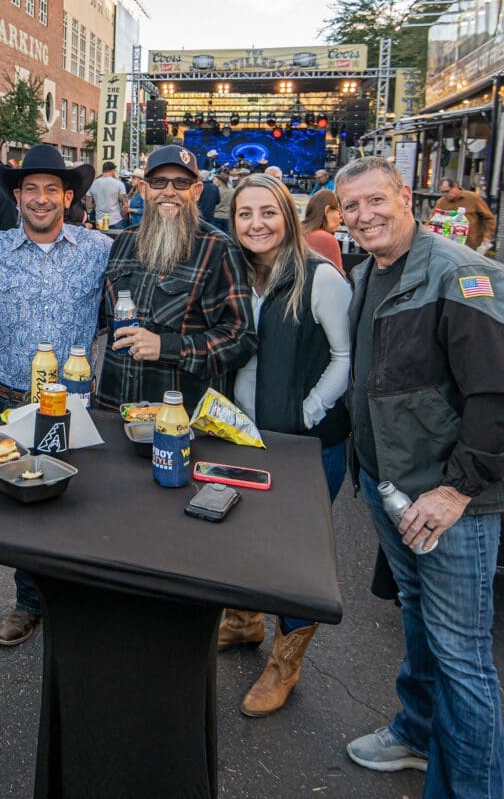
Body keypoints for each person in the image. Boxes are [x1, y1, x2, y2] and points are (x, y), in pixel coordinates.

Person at [335, 157, 504, 796]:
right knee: (418, 615)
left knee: (463, 657)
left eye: (376, 201)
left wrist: (456, 490)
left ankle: (474, 788)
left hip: (449, 501)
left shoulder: (461, 273)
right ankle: (416, 732)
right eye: (352, 207)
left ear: (405, 196)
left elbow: (495, 396)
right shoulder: (368, 273)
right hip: (393, 488)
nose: (365, 216)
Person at [0, 145, 109, 646]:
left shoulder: (98, 250)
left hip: (75, 404)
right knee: (23, 505)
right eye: (30, 190)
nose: (41, 199)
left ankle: (76, 598)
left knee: (80, 505)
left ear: (67, 197)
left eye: (51, 190)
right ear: (16, 196)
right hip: (13, 400)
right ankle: (27, 604)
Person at [220, 173, 351, 715]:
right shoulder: (234, 274)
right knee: (244, 535)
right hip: (245, 436)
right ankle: (246, 621)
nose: (257, 224)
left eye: (268, 212)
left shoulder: (319, 276)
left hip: (307, 445)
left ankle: (285, 662)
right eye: (245, 214)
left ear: (288, 217)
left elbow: (346, 358)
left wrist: (306, 413)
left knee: (297, 556)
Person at [98, 145, 256, 414]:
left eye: (181, 182)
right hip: (115, 407)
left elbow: (240, 339)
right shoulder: (123, 241)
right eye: (159, 182)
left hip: (180, 419)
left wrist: (167, 347)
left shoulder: (218, 248)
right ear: (144, 189)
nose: (169, 192)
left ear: (196, 192)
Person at [431, 177, 496, 253]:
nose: (445, 194)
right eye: (443, 192)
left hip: (471, 247)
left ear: (456, 187)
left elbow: (489, 218)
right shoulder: (441, 202)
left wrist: (486, 238)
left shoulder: (473, 198)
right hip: (448, 246)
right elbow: (431, 220)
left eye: (447, 191)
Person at [301, 189, 344, 272]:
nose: (341, 220)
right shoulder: (324, 238)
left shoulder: (298, 232)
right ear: (327, 210)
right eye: (339, 212)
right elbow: (338, 279)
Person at [86, 160, 127, 229]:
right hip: (115, 219)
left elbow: (88, 205)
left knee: (101, 239)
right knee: (117, 239)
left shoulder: (93, 184)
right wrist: (122, 215)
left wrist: (98, 204)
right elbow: (125, 205)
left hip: (100, 220)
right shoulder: (119, 184)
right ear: (113, 170)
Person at [212, 167, 233, 233]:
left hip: (217, 216)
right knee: (228, 237)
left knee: (217, 236)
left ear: (220, 181)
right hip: (228, 217)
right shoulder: (233, 191)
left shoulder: (215, 190)